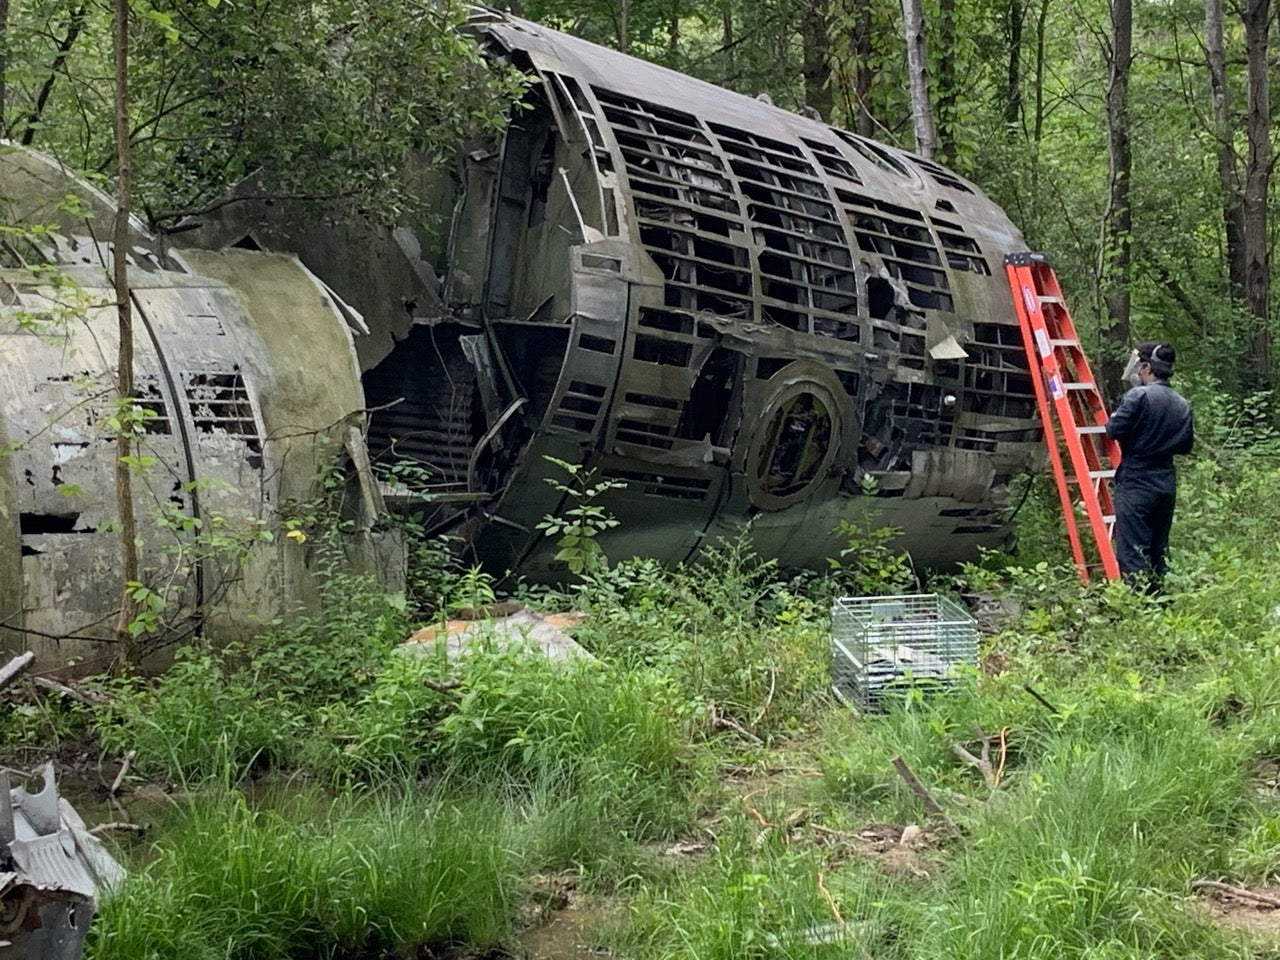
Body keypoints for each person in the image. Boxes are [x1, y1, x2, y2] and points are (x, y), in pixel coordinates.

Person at [1104, 341, 1194, 589]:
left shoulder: (1138, 396)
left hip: (1136, 481)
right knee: (1158, 549)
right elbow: (1185, 447)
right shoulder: (1182, 403)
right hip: (1165, 482)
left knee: (1133, 550)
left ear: (1146, 367)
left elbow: (1112, 430)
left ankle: (1140, 611)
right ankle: (1158, 605)